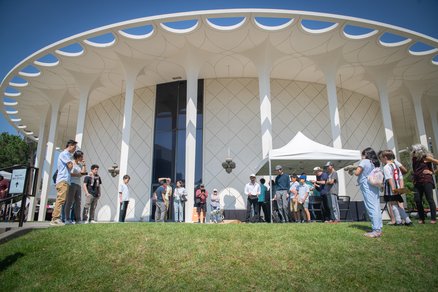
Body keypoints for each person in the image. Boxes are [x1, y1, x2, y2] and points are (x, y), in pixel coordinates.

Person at [354, 147, 383, 238]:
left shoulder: (364, 161)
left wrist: (353, 170)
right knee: (376, 206)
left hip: (367, 185)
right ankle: (378, 227)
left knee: (371, 207)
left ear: (366, 154)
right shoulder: (374, 163)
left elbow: (357, 172)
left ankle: (376, 230)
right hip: (374, 185)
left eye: (362, 154)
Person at [381, 150, 412, 226]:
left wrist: (393, 189)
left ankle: (402, 221)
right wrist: (401, 188)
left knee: (393, 204)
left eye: (381, 158)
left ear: (385, 157)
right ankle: (405, 221)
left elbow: (390, 179)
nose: (381, 160)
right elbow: (401, 178)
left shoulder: (386, 167)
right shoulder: (396, 166)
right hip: (398, 188)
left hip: (391, 189)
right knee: (397, 205)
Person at [50, 139, 77, 226]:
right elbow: (70, 166)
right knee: (61, 199)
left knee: (62, 200)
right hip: (63, 180)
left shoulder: (67, 155)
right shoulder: (64, 154)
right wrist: (72, 163)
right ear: (70, 146)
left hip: (65, 180)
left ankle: (57, 218)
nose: (75, 149)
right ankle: (55, 219)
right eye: (74, 147)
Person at [411, 144, 438, 224]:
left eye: (415, 151)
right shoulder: (414, 159)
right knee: (417, 200)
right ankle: (422, 218)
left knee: (430, 199)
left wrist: (432, 172)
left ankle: (433, 218)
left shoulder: (426, 157)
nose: (413, 152)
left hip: (426, 180)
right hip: (417, 181)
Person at [64, 150, 86, 224]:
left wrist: (84, 165)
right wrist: (78, 175)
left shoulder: (79, 165)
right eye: (81, 156)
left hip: (78, 184)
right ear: (77, 156)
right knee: (69, 201)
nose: (82, 158)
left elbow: (83, 173)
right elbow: (70, 173)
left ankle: (78, 219)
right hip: (72, 183)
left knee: (78, 202)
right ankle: (67, 219)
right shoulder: (72, 163)